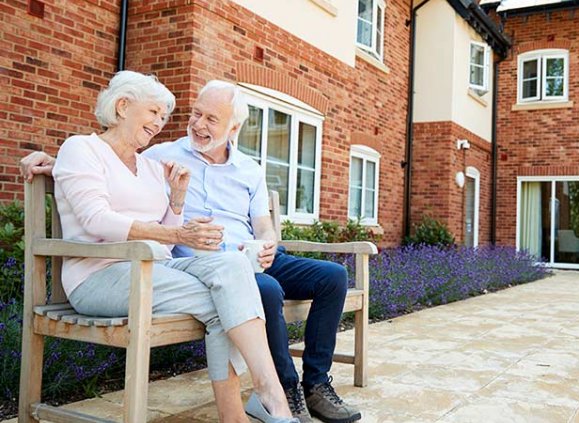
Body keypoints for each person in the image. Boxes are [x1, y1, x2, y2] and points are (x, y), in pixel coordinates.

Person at [21, 80, 361, 423]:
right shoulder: (90, 149)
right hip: (102, 274)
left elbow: (167, 242)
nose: (162, 122)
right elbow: (96, 216)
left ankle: (269, 399)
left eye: (165, 115)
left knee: (236, 275)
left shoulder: (150, 165)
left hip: (163, 268)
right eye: (155, 111)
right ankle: (274, 397)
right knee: (234, 292)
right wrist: (59, 162)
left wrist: (178, 200)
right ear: (123, 106)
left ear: (233, 127)